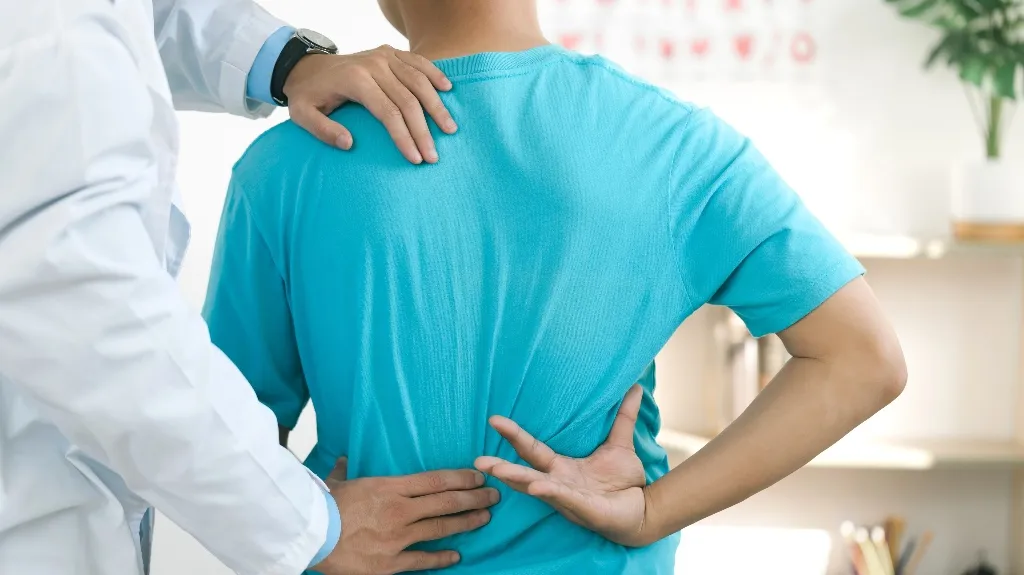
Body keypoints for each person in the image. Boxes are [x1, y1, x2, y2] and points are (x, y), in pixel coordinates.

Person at [203, 0, 908, 573]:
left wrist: (311, 529)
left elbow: (220, 436)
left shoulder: (286, 164)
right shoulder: (678, 144)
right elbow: (864, 359)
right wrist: (653, 511)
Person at [0, 2, 502, 575]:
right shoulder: (629, 126)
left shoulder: (286, 167)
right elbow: (87, 307)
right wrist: (304, 524)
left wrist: (287, 61)